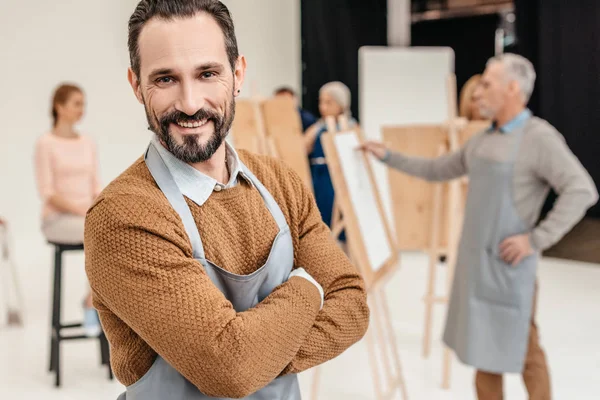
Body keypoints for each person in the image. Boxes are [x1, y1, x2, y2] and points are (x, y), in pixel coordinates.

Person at [84, 1, 369, 399]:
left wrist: (255, 353)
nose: (189, 103)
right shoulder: (123, 217)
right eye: (165, 79)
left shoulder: (278, 180)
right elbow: (230, 369)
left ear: (237, 74)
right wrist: (308, 285)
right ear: (136, 85)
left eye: (207, 73)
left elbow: (353, 304)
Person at [359, 53, 598, 400]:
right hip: (476, 269)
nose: (479, 90)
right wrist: (388, 156)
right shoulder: (484, 138)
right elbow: (439, 169)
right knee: (482, 355)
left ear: (512, 88)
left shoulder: (539, 138)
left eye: (487, 83)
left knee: (526, 350)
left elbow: (581, 190)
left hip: (509, 270)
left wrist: (536, 239)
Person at [34, 83, 103, 337]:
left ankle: (93, 299)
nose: (81, 109)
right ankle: (93, 303)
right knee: (98, 233)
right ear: (59, 107)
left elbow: (96, 184)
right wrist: (82, 210)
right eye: (76, 104)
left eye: (83, 104)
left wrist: (97, 208)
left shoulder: (87, 142)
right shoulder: (46, 143)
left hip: (86, 217)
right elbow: (48, 193)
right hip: (58, 219)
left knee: (113, 233)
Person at [303, 81, 355, 235]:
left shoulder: (350, 126)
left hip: (338, 177)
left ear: (341, 104)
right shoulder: (318, 127)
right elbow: (303, 148)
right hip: (319, 176)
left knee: (339, 218)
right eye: (321, 102)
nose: (323, 107)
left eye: (329, 103)